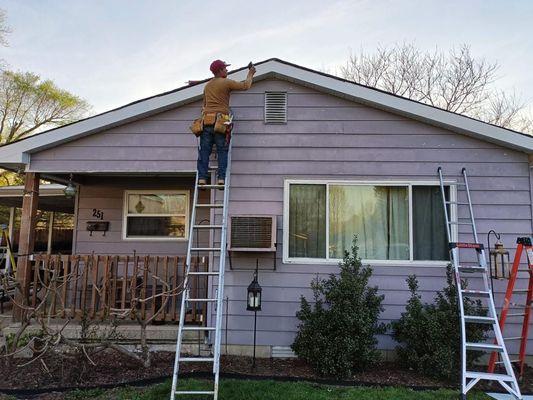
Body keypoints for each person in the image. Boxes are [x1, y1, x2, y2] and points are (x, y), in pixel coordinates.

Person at [197, 60, 256, 185]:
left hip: (206, 121)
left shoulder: (207, 86)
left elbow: (204, 105)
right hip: (220, 121)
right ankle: (221, 178)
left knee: (204, 151)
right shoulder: (226, 82)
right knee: (222, 150)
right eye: (225, 68)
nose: (227, 70)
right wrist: (251, 73)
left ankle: (202, 178)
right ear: (220, 70)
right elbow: (245, 86)